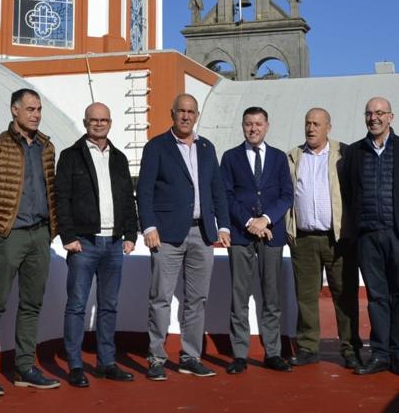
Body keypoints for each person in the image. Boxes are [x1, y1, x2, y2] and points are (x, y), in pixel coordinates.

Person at [138, 93, 231, 380]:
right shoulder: (157, 147)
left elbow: (217, 190)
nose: (186, 116)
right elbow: (144, 190)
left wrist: (223, 226)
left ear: (197, 115)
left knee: (196, 299)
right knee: (160, 297)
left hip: (202, 234)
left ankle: (190, 356)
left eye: (191, 112)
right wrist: (149, 227)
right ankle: (156, 357)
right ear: (173, 113)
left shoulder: (206, 147)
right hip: (166, 234)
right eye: (182, 111)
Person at [0, 88, 60, 394]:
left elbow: (52, 189)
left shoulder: (47, 148)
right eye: (31, 109)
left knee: (31, 305)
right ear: (15, 110)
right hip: (7, 236)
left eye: (39, 110)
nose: (36, 114)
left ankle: (25, 367)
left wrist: (51, 230)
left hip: (40, 235)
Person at [55, 102, 139, 387]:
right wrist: (68, 236)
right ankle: (76, 365)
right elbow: (61, 199)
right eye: (94, 120)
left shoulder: (119, 158)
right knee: (77, 305)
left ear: (111, 122)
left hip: (114, 243)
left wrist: (130, 234)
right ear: (85, 122)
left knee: (109, 306)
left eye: (104, 120)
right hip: (84, 243)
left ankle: (106, 362)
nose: (99, 124)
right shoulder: (70, 157)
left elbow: (129, 199)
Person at [343, 96, 399, 377]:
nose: (373, 118)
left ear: (391, 117)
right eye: (369, 113)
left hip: (398, 236)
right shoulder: (353, 153)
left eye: (379, 113)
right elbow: (348, 195)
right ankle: (380, 353)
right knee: (376, 297)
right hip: (367, 236)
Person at [285, 107, 363, 370]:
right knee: (305, 296)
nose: (311, 128)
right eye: (308, 123)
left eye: (317, 124)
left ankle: (351, 348)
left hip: (338, 239)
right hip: (304, 239)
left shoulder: (345, 153)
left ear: (328, 127)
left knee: (345, 294)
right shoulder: (294, 156)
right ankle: (308, 348)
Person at [219, 106, 294, 374]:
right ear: (242, 126)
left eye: (258, 124)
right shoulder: (230, 157)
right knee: (239, 297)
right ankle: (240, 354)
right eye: (249, 124)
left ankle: (272, 352)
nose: (253, 128)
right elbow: (226, 196)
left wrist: (266, 220)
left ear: (267, 126)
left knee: (271, 297)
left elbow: (287, 195)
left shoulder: (278, 158)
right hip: (241, 235)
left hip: (272, 236)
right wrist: (251, 223)